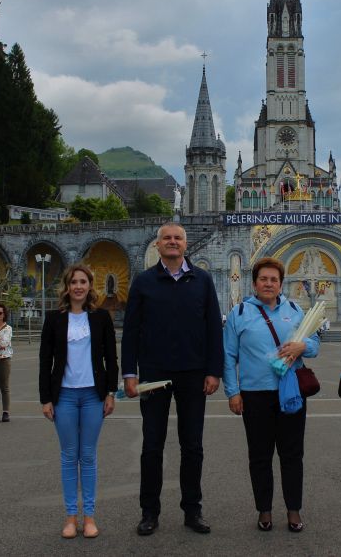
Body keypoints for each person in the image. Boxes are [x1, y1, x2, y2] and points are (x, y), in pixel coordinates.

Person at [121, 223, 223, 536]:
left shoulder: (202, 280)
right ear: (158, 244)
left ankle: (192, 510)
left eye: (178, 238)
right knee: (152, 445)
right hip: (154, 374)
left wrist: (213, 370)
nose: (173, 242)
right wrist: (129, 373)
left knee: (192, 445)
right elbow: (131, 331)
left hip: (193, 373)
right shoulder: (144, 281)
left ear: (185, 243)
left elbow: (213, 330)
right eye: (167, 238)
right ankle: (149, 512)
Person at [223, 257, 319, 533]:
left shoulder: (294, 309)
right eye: (263, 279)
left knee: (292, 454)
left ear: (280, 284)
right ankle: (264, 509)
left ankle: (293, 510)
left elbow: (313, 344)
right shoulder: (239, 313)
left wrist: (303, 347)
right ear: (254, 283)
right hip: (254, 395)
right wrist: (233, 392)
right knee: (260, 455)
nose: (269, 283)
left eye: (274, 280)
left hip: (289, 392)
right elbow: (229, 356)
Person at [39, 263, 118, 540]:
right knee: (68, 457)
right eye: (74, 282)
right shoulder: (53, 319)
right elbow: (44, 361)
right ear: (67, 286)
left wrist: (110, 392)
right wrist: (46, 399)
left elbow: (111, 358)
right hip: (65, 396)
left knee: (89, 456)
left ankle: (90, 517)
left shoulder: (100, 318)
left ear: (90, 286)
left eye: (83, 282)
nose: (78, 287)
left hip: (93, 395)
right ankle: (71, 517)